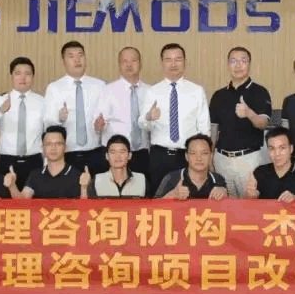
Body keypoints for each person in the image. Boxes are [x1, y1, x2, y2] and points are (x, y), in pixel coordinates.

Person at [139, 43, 211, 189]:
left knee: (189, 197)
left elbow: (204, 127)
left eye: (178, 59)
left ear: (185, 62)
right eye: (168, 60)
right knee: (160, 196)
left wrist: (204, 155)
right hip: (160, 155)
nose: (173, 64)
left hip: (188, 156)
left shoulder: (197, 91)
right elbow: (142, 124)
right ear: (162, 63)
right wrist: (149, 117)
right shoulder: (152, 91)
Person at [210, 46, 273, 198]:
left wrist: (249, 113)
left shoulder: (260, 92)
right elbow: (213, 129)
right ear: (228, 64)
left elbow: (264, 123)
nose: (238, 65)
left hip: (249, 160)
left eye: (243, 61)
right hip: (222, 160)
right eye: (233, 61)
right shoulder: (218, 95)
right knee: (226, 205)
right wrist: (210, 155)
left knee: (250, 204)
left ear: (249, 64)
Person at [44, 41, 107, 174]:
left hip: (96, 152)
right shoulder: (54, 88)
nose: (77, 60)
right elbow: (47, 122)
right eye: (71, 56)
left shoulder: (100, 86)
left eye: (80, 55)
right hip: (68, 155)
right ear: (63, 61)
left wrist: (101, 125)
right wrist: (59, 118)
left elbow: (108, 117)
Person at [0, 57, 47, 190]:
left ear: (33, 77)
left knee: (35, 200)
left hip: (34, 161)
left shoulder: (42, 102)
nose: (23, 78)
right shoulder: (0, 100)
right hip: (7, 161)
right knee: (5, 200)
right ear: (11, 76)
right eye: (18, 73)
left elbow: (48, 132)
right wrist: (1, 110)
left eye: (27, 73)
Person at [96, 47, 152, 184]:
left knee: (141, 191)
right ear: (119, 64)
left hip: (141, 152)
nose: (129, 65)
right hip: (116, 155)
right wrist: (99, 124)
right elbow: (97, 124)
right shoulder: (108, 90)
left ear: (140, 64)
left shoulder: (150, 91)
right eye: (124, 61)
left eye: (133, 60)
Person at [5, 126, 84, 199]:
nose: (53, 148)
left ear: (65, 147)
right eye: (48, 144)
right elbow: (22, 202)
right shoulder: (35, 175)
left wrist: (84, 188)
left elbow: (85, 207)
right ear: (42, 148)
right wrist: (12, 186)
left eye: (58, 144)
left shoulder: (77, 175)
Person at [244, 127, 295, 202]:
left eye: (282, 148)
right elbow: (248, 203)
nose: (277, 154)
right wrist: (249, 196)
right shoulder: (259, 172)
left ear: (291, 149)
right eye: (272, 148)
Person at [154, 134, 228, 199]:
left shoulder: (218, 180)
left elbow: (228, 206)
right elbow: (153, 206)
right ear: (186, 156)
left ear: (211, 156)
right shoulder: (172, 178)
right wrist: (172, 195)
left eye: (204, 153)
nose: (199, 158)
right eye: (193, 153)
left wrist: (224, 194)